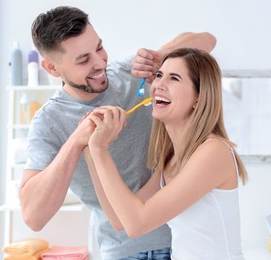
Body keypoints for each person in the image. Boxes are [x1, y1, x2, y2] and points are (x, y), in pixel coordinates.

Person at [19, 6, 216, 260]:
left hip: (183, 240)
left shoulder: (130, 73)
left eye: (99, 48)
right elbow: (33, 216)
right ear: (52, 68)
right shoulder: (48, 122)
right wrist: (77, 140)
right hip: (123, 251)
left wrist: (161, 56)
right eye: (83, 60)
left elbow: (207, 41)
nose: (100, 62)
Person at [83, 48, 248, 260]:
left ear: (199, 98)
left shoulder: (213, 151)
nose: (159, 84)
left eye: (174, 78)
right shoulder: (171, 160)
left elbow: (137, 224)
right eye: (159, 75)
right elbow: (119, 221)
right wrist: (90, 151)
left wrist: (100, 149)